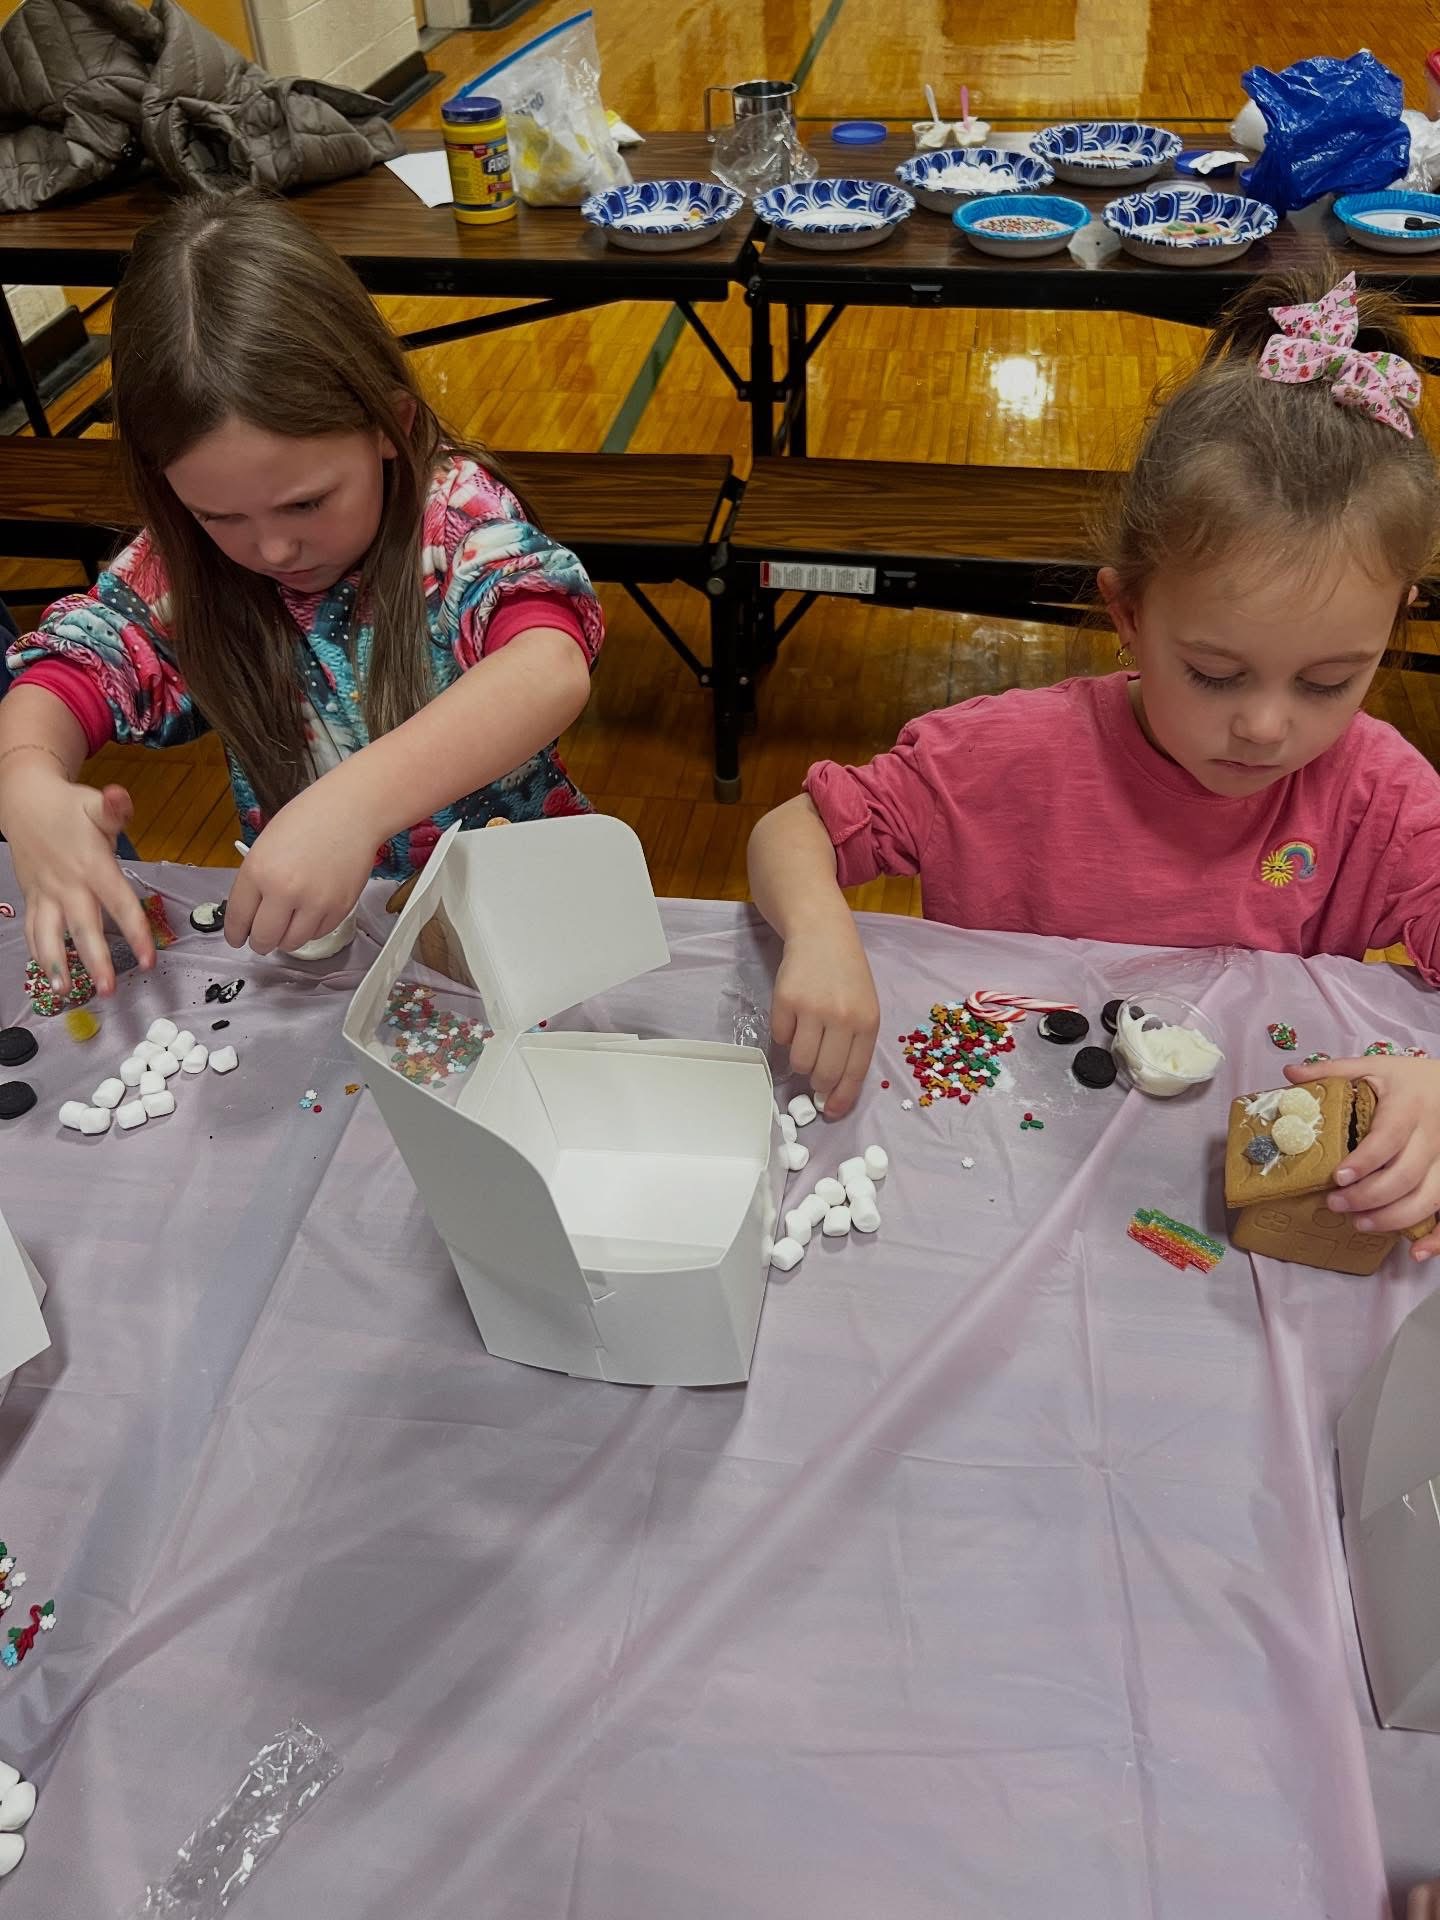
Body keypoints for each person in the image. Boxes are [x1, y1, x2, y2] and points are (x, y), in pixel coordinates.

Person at [748, 266, 1440, 1255]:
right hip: (990, 1176)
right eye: (1213, 673)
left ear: (1395, 625)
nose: (1266, 729)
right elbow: (798, 828)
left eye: (1329, 682)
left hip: (1219, 1230)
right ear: (1128, 613)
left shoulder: (1383, 799)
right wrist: (820, 933)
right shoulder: (1006, 758)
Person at [0, 190, 602, 993]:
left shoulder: (455, 519)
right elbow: (74, 662)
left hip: (525, 919)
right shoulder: (188, 566)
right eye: (219, 515)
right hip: (339, 948)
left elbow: (548, 664)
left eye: (308, 502)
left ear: (390, 427)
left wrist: (351, 807)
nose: (273, 547)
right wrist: (25, 779)